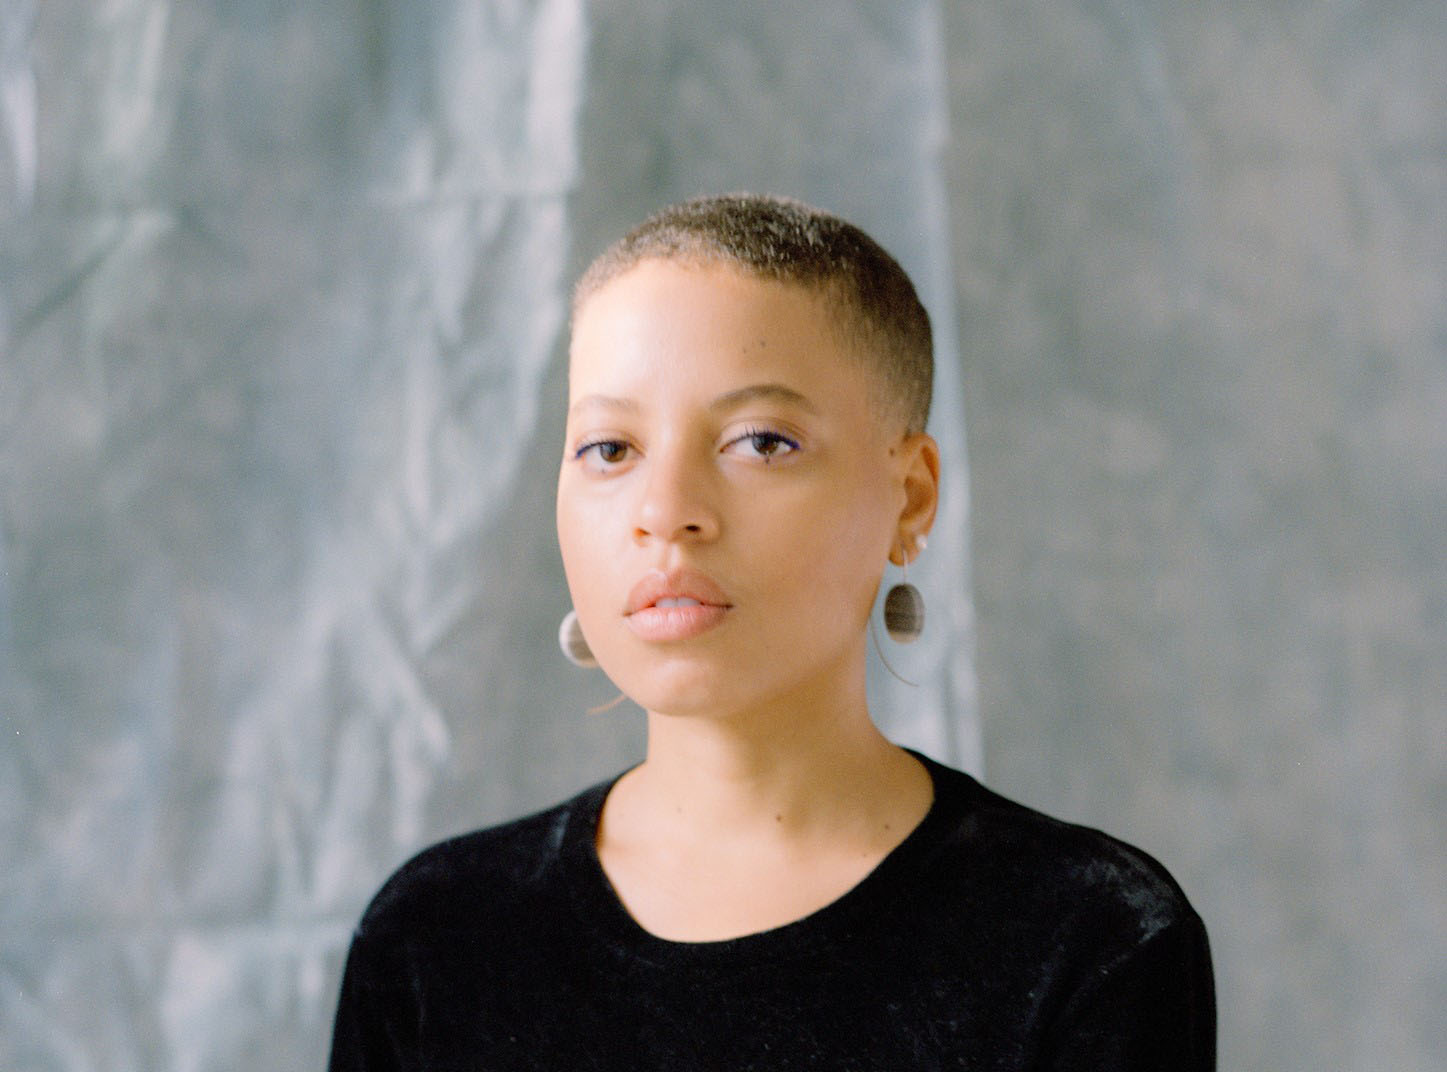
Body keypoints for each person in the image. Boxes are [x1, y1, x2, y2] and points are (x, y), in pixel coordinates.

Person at [327, 194, 1216, 1070]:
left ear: (909, 496)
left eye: (759, 442)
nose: (666, 513)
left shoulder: (1089, 940)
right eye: (609, 449)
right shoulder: (435, 938)